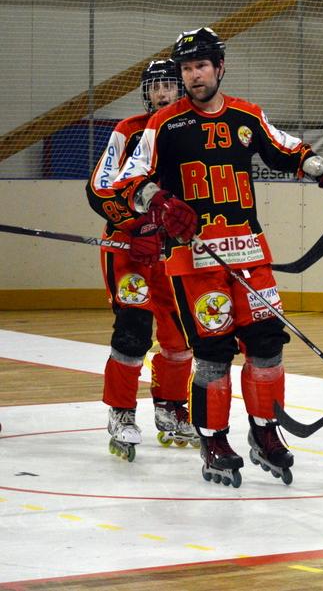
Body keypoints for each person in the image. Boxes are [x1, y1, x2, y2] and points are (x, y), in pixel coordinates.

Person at [114, 27, 323, 487]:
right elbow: (124, 183)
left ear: (219, 67)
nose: (194, 76)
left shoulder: (246, 116)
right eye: (187, 68)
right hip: (195, 260)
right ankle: (214, 438)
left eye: (201, 66)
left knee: (268, 347)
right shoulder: (163, 125)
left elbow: (289, 151)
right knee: (212, 354)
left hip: (249, 251)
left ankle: (265, 432)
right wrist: (158, 201)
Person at [86, 59, 196, 462]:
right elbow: (99, 189)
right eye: (156, 86)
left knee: (180, 333)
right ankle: (121, 412)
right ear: (145, 93)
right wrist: (137, 225)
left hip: (173, 251)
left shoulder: (190, 129)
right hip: (128, 248)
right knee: (133, 328)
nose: (163, 93)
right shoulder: (127, 130)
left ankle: (169, 407)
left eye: (170, 85)